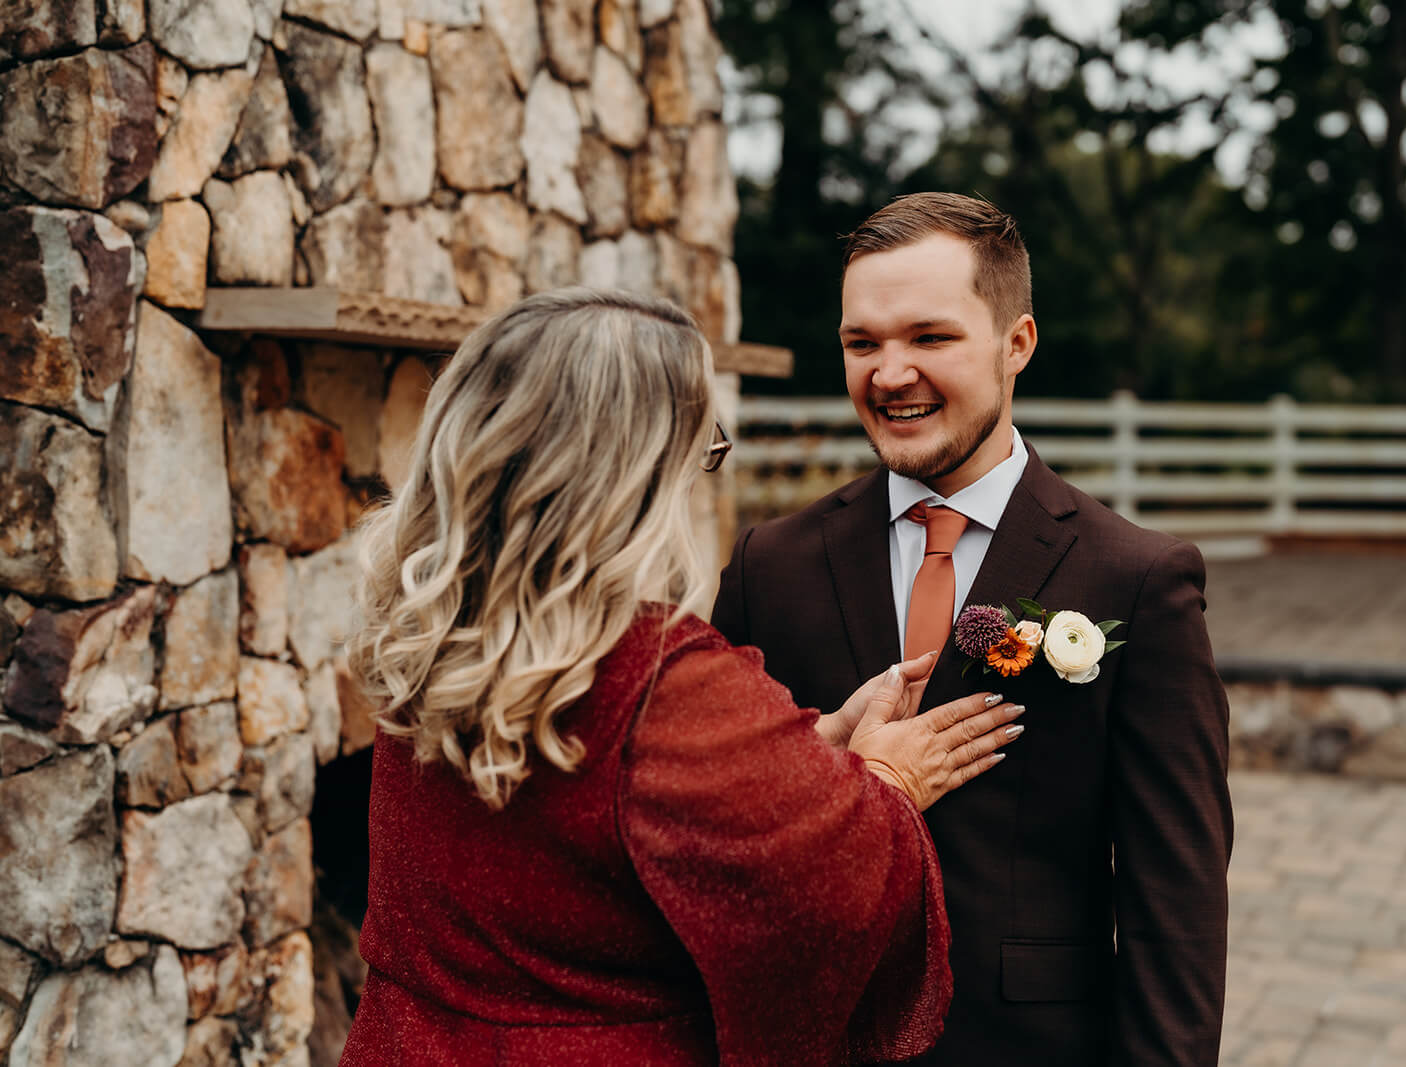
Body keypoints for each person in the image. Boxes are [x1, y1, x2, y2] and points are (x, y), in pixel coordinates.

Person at [338, 288, 1025, 1066]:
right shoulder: (658, 678)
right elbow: (825, 891)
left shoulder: (429, 631)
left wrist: (817, 748)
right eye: (701, 452)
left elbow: (597, 807)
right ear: (634, 473)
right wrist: (886, 780)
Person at [712, 193, 1233, 1064]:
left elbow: (1173, 902)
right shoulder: (772, 565)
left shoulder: (1136, 579)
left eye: (929, 337)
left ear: (1016, 343)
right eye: (862, 343)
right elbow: (716, 824)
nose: (888, 374)